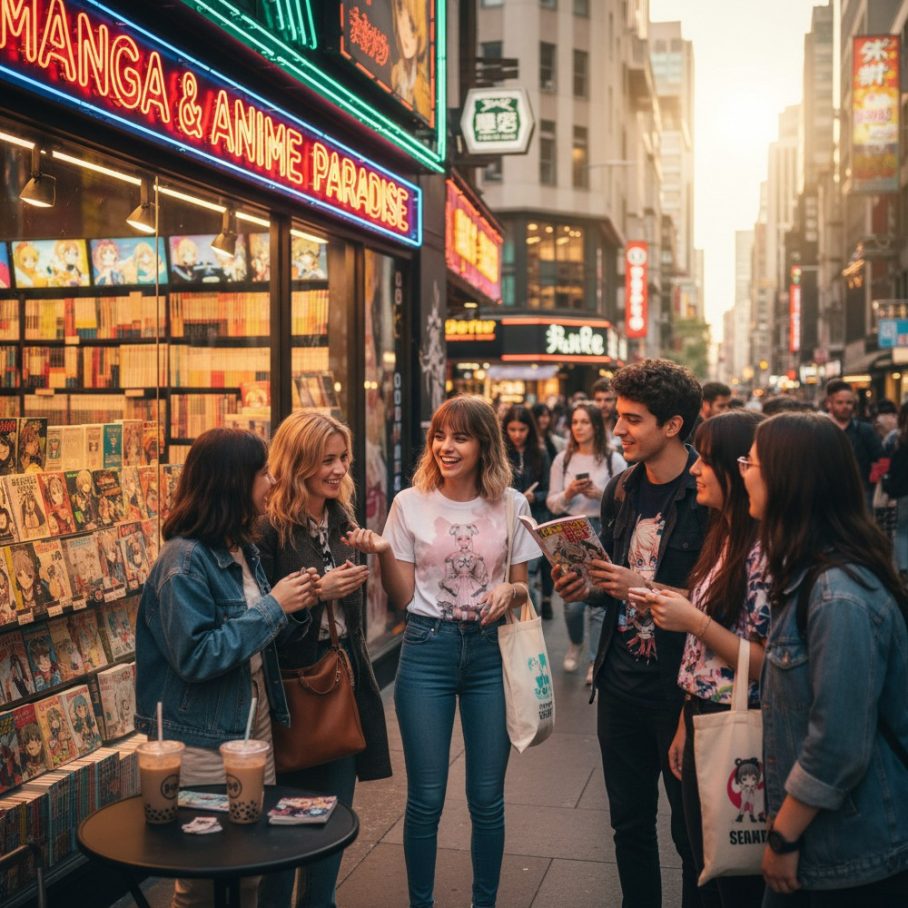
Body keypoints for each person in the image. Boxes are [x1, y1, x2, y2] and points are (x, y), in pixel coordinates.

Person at [348, 395, 540, 908]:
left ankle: (484, 902)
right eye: (438, 435)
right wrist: (386, 553)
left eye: (460, 437)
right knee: (426, 799)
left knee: (487, 800)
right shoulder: (409, 502)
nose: (446, 447)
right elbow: (404, 597)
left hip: (489, 652)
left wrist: (510, 591)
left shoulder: (512, 503)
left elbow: (524, 588)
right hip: (425, 648)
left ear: (484, 444)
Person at [134, 428, 317, 908]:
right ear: (233, 481)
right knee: (202, 872)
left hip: (249, 717)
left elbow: (256, 637)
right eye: (262, 472)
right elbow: (196, 656)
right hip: (201, 732)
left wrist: (296, 602)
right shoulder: (184, 561)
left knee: (249, 858)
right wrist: (274, 606)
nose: (273, 480)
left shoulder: (240, 545)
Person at [555, 358, 707, 908]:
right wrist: (586, 585)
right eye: (616, 417)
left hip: (682, 689)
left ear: (671, 425)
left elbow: (719, 604)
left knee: (692, 837)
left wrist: (632, 584)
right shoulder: (620, 489)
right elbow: (611, 579)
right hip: (618, 682)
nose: (617, 429)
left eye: (631, 419)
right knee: (630, 825)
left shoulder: (706, 493)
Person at [741, 412, 908, 905]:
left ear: (791, 479)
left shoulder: (838, 594)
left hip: (852, 853)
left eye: (753, 461)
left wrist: (783, 837)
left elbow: (837, 743)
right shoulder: (808, 573)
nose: (743, 470)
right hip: (826, 844)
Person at [256, 411, 392, 908]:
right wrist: (319, 593)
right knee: (284, 832)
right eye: (326, 460)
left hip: (341, 685)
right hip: (289, 693)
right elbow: (258, 620)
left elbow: (353, 621)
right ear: (298, 463)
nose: (338, 470)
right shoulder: (268, 527)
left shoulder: (341, 520)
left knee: (332, 826)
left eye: (343, 458)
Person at [647, 410, 769, 907]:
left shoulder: (763, 550)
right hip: (702, 715)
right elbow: (704, 652)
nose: (696, 468)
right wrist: (685, 719)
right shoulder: (724, 536)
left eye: (709, 459)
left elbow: (763, 660)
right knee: (705, 862)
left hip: (740, 725)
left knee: (733, 874)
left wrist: (690, 619)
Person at [547, 401, 626, 683]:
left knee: (599, 599)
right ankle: (576, 643)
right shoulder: (562, 460)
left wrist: (598, 494)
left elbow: (623, 500)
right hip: (569, 530)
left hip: (601, 528)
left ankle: (595, 660)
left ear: (595, 426)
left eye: (584, 422)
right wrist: (568, 493)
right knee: (573, 602)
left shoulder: (612, 459)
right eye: (575, 422)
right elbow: (553, 504)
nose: (579, 428)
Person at [502, 405, 552, 618]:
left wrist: (535, 496)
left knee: (530, 573)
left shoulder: (540, 453)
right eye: (512, 430)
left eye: (521, 430)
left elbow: (549, 489)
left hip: (536, 519)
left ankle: (531, 618)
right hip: (508, 519)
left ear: (529, 429)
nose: (517, 435)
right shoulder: (502, 453)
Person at [823, 379, 883, 502]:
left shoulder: (865, 430)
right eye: (840, 403)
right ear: (829, 404)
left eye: (849, 403)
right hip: (829, 492)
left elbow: (881, 458)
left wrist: (873, 482)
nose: (845, 407)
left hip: (861, 492)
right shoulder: (821, 429)